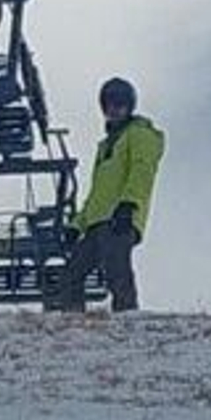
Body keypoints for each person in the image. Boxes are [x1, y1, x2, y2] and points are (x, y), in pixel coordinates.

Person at [58, 78, 166, 313]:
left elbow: (142, 170)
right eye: (109, 105)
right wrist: (77, 225)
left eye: (119, 105)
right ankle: (72, 322)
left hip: (119, 219)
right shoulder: (106, 145)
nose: (113, 110)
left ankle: (128, 317)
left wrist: (129, 204)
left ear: (129, 107)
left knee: (117, 271)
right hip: (97, 222)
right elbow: (96, 194)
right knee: (72, 274)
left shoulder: (139, 134)